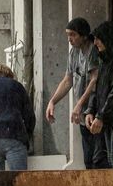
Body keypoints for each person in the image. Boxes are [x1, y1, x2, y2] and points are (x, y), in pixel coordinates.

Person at [45, 18, 104, 168]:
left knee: (98, 160)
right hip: (83, 115)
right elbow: (67, 80)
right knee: (88, 160)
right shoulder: (73, 53)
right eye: (68, 35)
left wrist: (79, 104)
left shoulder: (92, 51)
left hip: (95, 111)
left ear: (83, 35)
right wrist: (53, 101)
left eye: (73, 35)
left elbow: (94, 80)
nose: (70, 39)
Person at [0, 64, 36, 172]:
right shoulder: (17, 86)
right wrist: (27, 135)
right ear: (10, 75)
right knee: (18, 182)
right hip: (14, 135)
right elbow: (29, 116)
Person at [83, 21, 113, 169]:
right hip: (101, 119)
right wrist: (90, 111)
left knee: (111, 160)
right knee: (98, 160)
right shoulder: (103, 60)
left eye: (99, 38)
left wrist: (101, 116)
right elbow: (97, 88)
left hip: (110, 120)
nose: (95, 42)